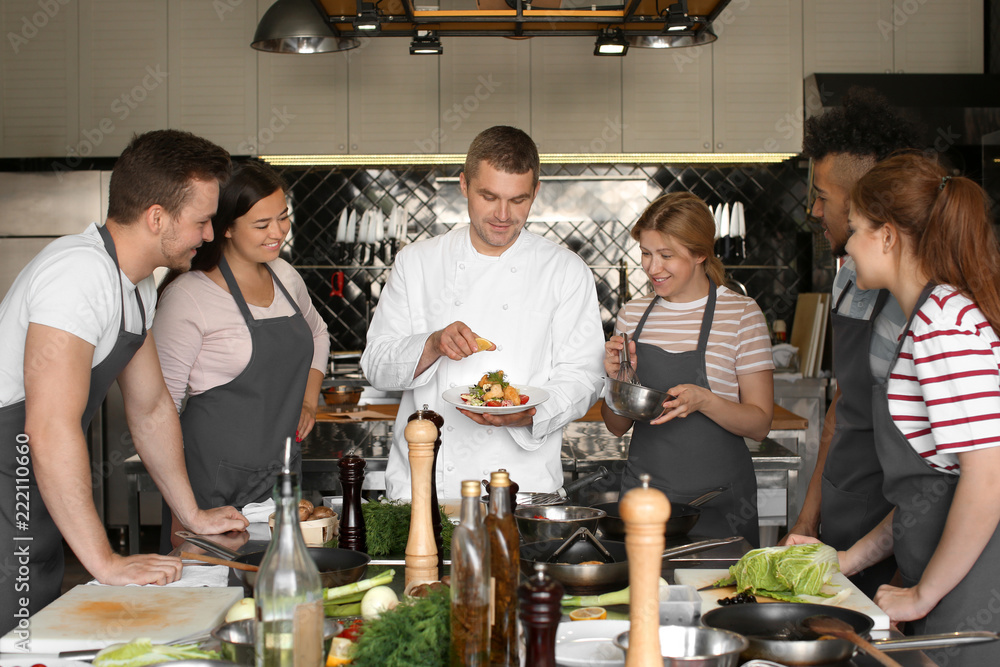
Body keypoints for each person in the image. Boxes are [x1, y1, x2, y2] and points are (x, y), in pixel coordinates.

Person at [0, 129, 249, 635]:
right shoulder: (79, 275)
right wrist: (106, 562)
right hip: (9, 475)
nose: (209, 236)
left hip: (31, 480)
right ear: (156, 217)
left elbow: (152, 407)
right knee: (11, 626)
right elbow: (48, 427)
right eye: (202, 221)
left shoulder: (136, 286)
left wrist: (193, 515)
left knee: (32, 629)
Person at [791, 153, 1000, 665]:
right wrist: (847, 560)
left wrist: (924, 593)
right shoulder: (926, 320)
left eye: (857, 230)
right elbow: (928, 490)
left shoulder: (943, 329)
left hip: (972, 595)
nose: (849, 248)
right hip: (945, 581)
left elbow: (987, 478)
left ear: (887, 236)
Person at [361, 125, 605, 499]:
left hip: (524, 487)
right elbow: (375, 366)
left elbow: (584, 376)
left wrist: (534, 414)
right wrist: (432, 345)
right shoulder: (418, 263)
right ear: (464, 185)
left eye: (519, 200)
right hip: (427, 487)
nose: (503, 215)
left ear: (536, 192)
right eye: (488, 196)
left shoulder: (565, 270)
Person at [780, 88, 919, 596]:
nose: (815, 210)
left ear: (868, 201)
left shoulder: (931, 314)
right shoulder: (847, 282)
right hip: (843, 526)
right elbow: (843, 407)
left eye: (822, 196)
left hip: (901, 537)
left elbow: (944, 474)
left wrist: (911, 578)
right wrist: (807, 522)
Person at [153, 161, 329, 549]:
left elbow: (318, 333)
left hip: (280, 469)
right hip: (212, 480)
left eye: (283, 217)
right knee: (217, 588)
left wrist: (308, 399)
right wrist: (182, 514)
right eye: (262, 224)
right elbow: (158, 406)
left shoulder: (285, 275)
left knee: (280, 579)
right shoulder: (189, 297)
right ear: (226, 227)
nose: (279, 232)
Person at [602, 192, 774, 547]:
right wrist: (619, 382)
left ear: (699, 254)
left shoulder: (741, 314)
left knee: (718, 598)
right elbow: (616, 426)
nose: (652, 268)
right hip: (646, 502)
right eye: (646, 254)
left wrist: (704, 401)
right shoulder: (632, 315)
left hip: (720, 502)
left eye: (667, 255)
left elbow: (759, 424)